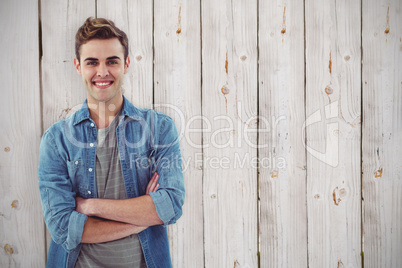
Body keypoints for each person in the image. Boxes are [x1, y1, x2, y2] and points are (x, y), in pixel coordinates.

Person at [38, 17, 185, 268]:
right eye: (92, 62)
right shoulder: (56, 140)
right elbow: (63, 226)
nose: (102, 72)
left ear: (126, 64)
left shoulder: (159, 129)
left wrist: (89, 206)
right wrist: (144, 218)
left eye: (112, 61)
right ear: (78, 66)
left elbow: (170, 205)